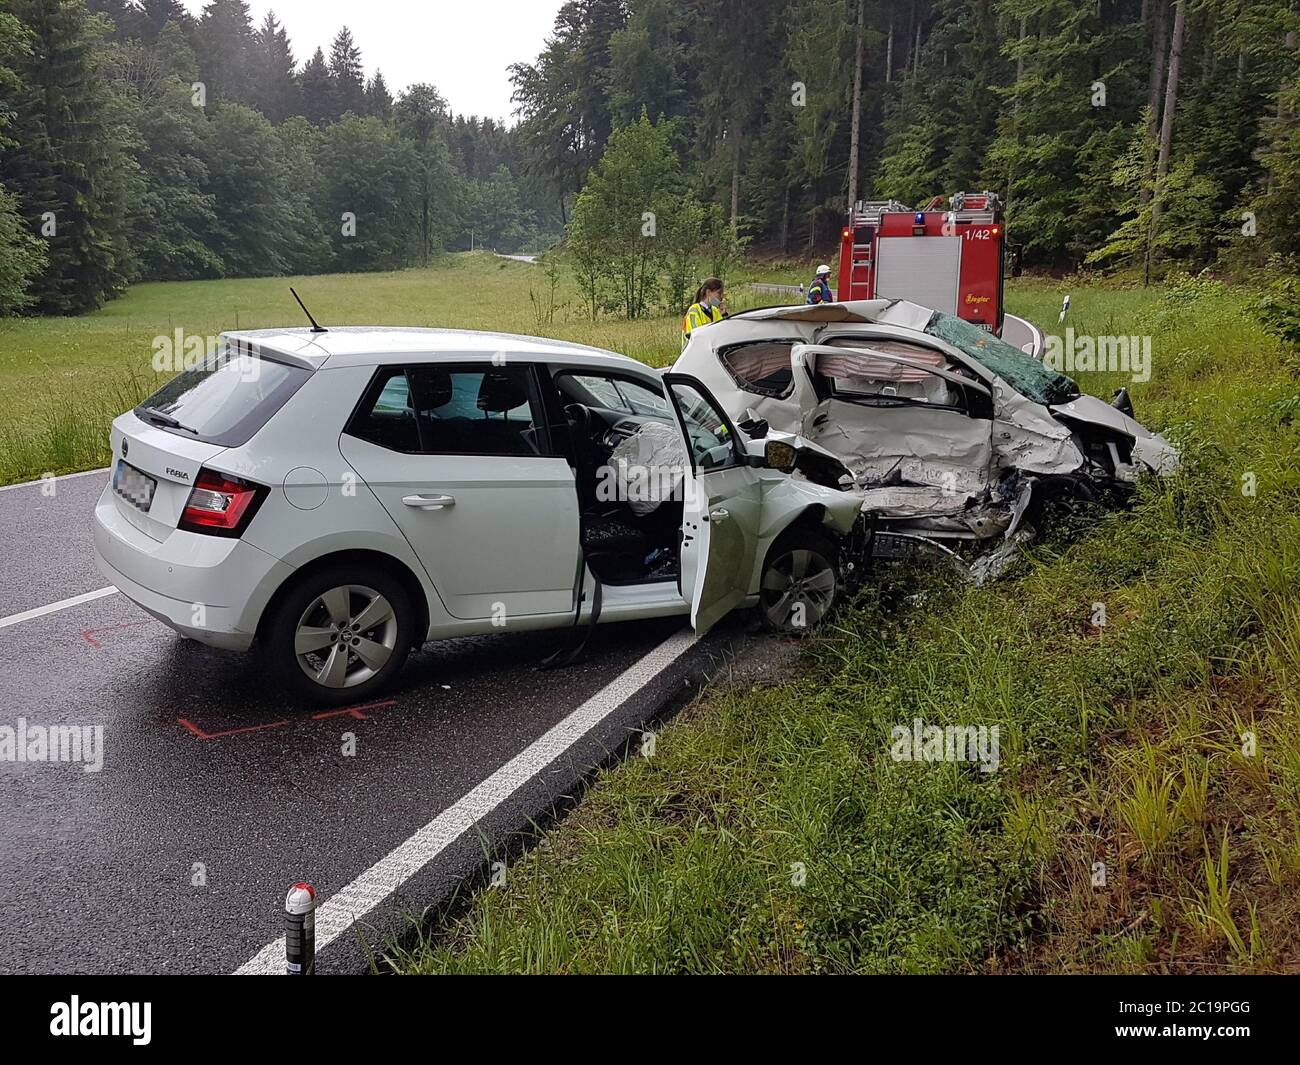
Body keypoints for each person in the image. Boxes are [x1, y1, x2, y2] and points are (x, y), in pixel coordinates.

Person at [681, 278, 727, 349]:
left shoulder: (715, 310)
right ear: (708, 292)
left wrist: (724, 315)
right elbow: (695, 336)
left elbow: (723, 333)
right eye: (719, 293)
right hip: (692, 353)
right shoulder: (694, 310)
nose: (721, 297)